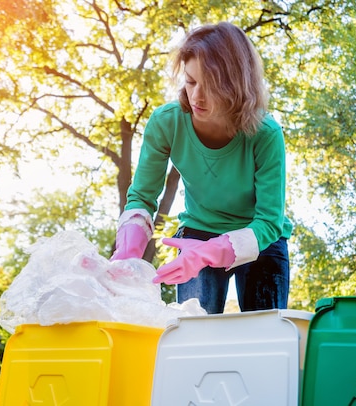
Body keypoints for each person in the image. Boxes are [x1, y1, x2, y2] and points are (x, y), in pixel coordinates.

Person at [110, 22, 292, 314]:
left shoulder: (265, 133)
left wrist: (213, 253)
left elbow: (270, 221)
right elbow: (142, 197)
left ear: (236, 85)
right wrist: (127, 253)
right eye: (191, 82)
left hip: (260, 240)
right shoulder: (166, 122)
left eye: (210, 86)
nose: (196, 97)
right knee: (195, 332)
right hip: (198, 234)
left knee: (265, 332)